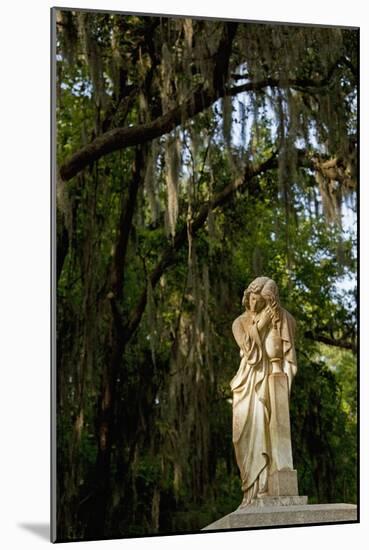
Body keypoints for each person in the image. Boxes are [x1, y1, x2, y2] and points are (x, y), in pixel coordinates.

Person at [231, 276, 297, 506]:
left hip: (268, 380)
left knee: (267, 430)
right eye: (252, 299)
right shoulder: (239, 323)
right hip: (247, 383)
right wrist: (262, 324)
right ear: (247, 296)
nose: (254, 305)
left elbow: (284, 344)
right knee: (244, 435)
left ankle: (265, 486)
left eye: (260, 302)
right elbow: (248, 348)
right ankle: (251, 486)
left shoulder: (278, 317)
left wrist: (274, 320)